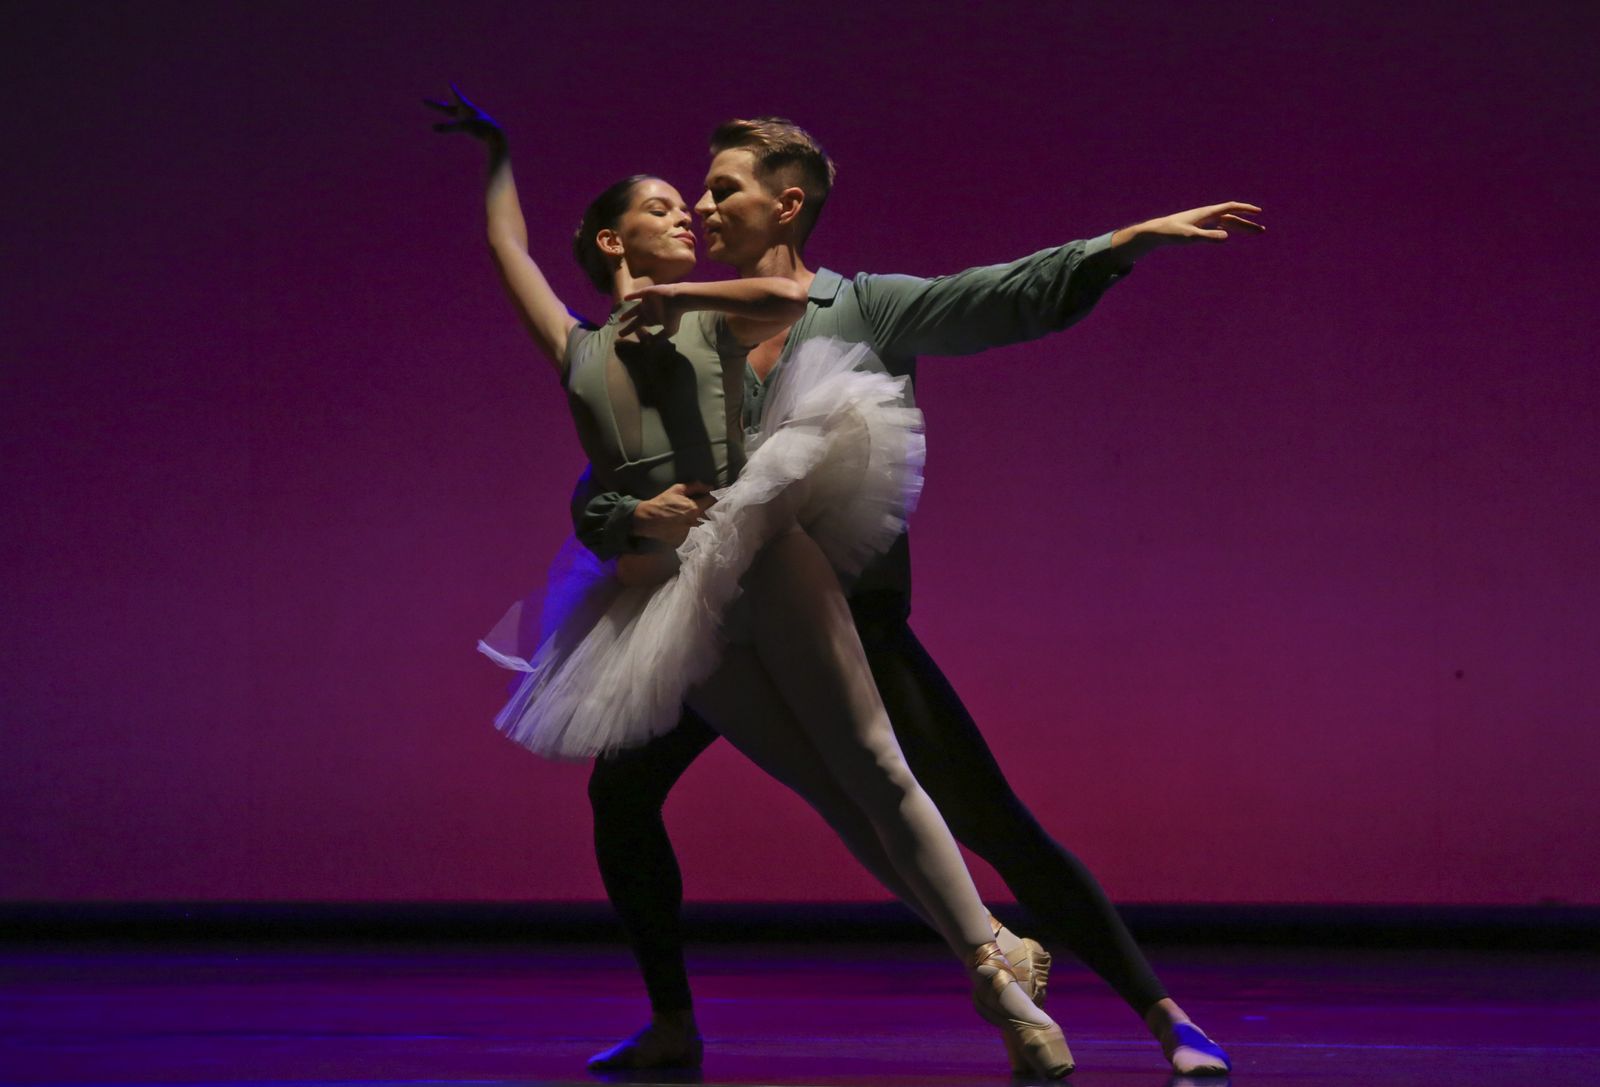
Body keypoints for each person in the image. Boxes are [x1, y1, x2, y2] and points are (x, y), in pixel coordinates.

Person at [576, 116, 1263, 1077]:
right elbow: (616, 464)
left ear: (789, 202)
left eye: (723, 188)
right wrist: (621, 513)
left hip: (849, 629)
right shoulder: (682, 328)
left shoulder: (859, 308)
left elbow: (997, 296)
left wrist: (1123, 243)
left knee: (990, 821)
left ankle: (1165, 1015)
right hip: (720, 623)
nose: (701, 205)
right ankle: (673, 1023)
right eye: (699, 190)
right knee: (621, 789)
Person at [427, 87, 1076, 1080]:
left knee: (869, 764)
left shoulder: (715, 314)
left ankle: (993, 965)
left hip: (756, 548)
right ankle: (990, 952)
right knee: (839, 787)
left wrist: (681, 296)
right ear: (610, 240)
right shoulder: (578, 348)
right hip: (665, 598)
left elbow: (788, 298)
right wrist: (497, 153)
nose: (685, 212)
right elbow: (505, 247)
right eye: (658, 207)